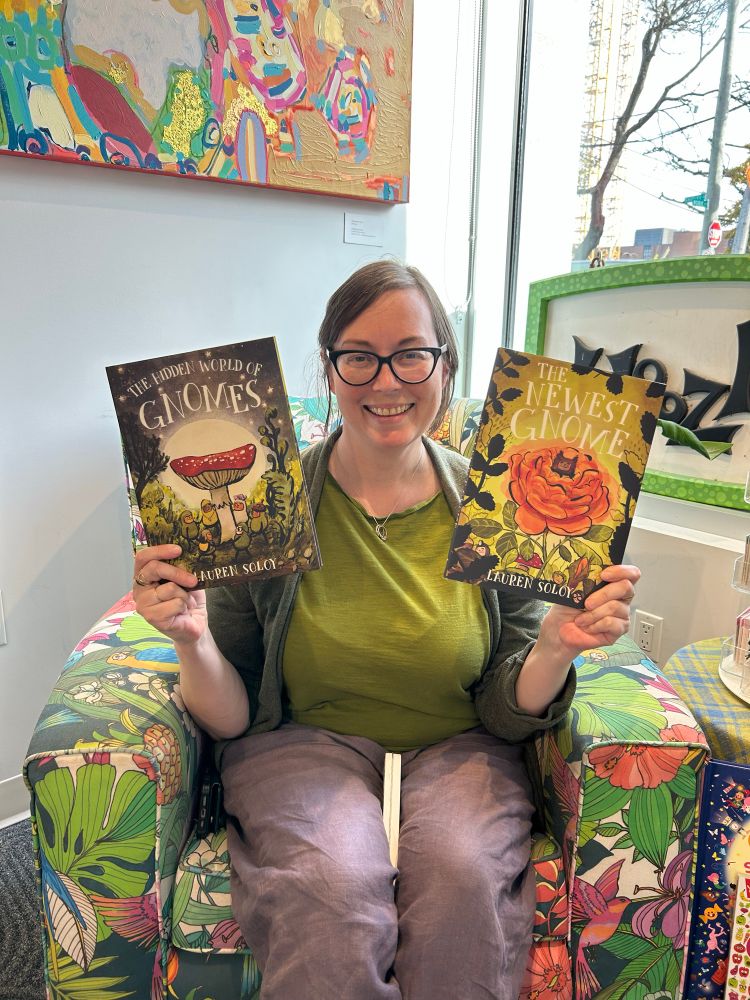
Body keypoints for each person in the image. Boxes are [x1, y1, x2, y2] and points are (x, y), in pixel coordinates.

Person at [132, 261, 640, 1000]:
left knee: (463, 885)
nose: (385, 379)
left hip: (462, 745)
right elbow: (238, 712)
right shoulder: (262, 507)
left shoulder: (504, 505)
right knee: (329, 891)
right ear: (330, 368)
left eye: (411, 353)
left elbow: (508, 708)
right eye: (358, 356)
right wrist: (190, 637)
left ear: (444, 364)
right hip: (298, 743)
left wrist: (558, 642)